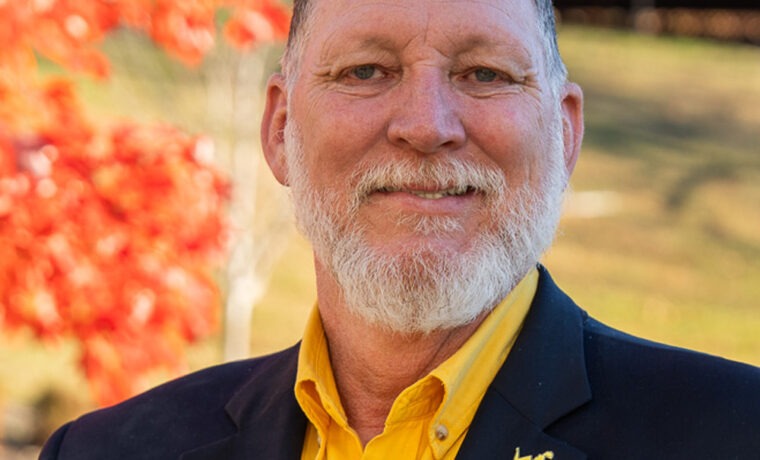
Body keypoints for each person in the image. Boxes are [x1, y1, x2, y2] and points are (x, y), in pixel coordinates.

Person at [40, 0, 760, 458]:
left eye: (484, 74)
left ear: (564, 133)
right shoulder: (107, 451)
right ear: (281, 128)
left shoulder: (734, 433)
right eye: (365, 71)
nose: (426, 126)